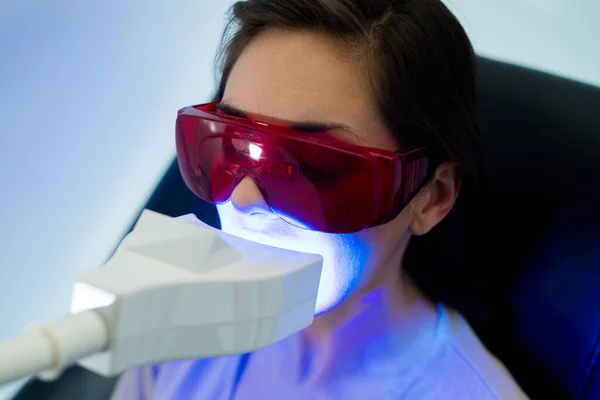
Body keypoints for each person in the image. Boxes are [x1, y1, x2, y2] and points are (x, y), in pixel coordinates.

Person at [112, 0, 528, 398]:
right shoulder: (180, 310)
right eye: (233, 146)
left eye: (315, 165)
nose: (244, 199)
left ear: (433, 197)